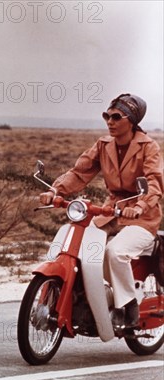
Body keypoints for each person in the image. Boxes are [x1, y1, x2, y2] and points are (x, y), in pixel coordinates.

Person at [39, 93, 163, 328]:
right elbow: (79, 173)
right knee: (86, 251)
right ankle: (89, 299)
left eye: (117, 117)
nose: (110, 121)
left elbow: (154, 182)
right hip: (111, 211)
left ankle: (127, 307)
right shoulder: (103, 145)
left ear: (132, 121)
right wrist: (56, 192)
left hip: (142, 217)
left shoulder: (149, 147)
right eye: (107, 116)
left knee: (115, 252)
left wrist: (139, 206)